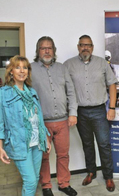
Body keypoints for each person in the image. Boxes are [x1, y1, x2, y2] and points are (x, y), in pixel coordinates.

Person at [64, 35, 117, 192]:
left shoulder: (102, 63)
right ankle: (91, 172)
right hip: (80, 112)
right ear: (78, 46)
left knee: (104, 144)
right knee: (87, 144)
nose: (85, 48)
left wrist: (112, 108)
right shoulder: (68, 65)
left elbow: (112, 84)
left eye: (88, 45)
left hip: (99, 111)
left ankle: (108, 177)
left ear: (92, 47)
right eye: (82, 45)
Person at [31, 36, 78, 196]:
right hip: (41, 123)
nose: (46, 51)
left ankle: (64, 184)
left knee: (63, 155)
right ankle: (46, 186)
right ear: (38, 51)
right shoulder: (30, 70)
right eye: (43, 48)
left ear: (54, 50)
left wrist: (73, 113)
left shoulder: (62, 68)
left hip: (63, 121)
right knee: (43, 157)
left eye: (49, 48)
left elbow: (71, 92)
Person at [0, 55, 51, 196]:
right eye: (17, 67)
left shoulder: (32, 92)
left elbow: (38, 119)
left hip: (37, 143)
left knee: (34, 179)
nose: (22, 71)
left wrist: (45, 138)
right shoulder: (3, 94)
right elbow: (0, 123)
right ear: (11, 71)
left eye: (25, 67)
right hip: (19, 144)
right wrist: (0, 147)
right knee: (30, 182)